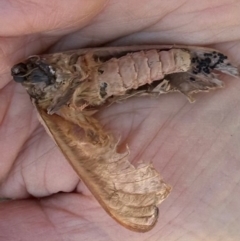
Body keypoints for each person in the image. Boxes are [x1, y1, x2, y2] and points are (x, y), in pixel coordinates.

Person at [0, 1, 240, 240]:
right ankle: (187, 63)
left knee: (160, 65)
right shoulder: (54, 100)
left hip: (138, 65)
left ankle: (188, 63)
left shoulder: (57, 77)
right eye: (26, 75)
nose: (25, 74)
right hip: (119, 75)